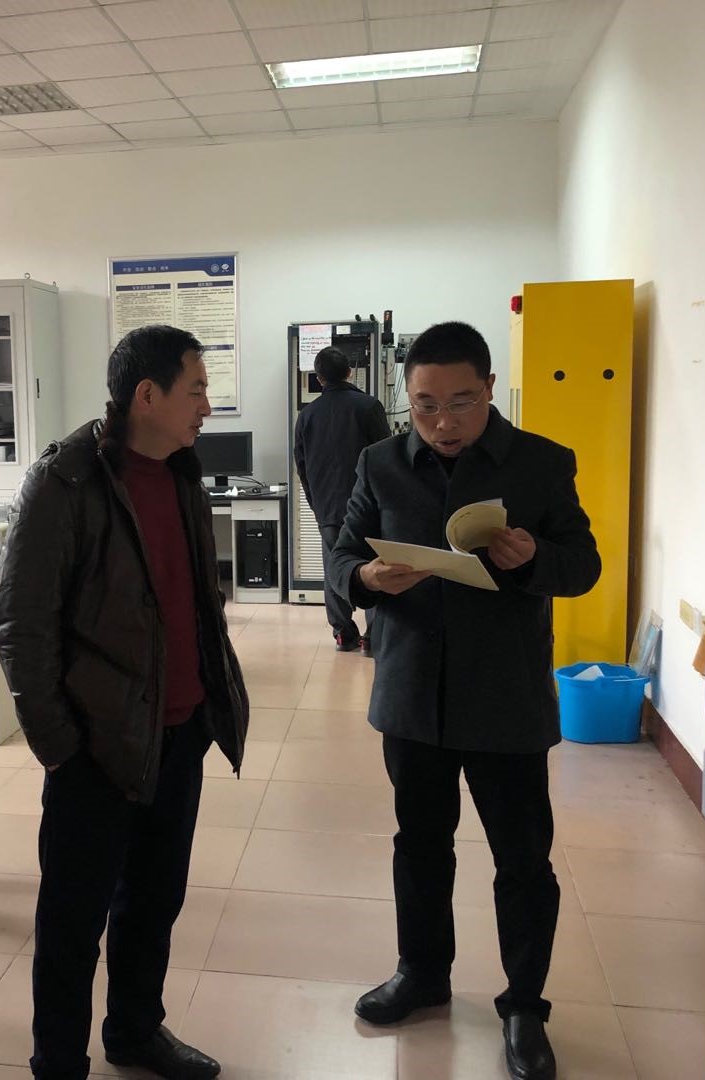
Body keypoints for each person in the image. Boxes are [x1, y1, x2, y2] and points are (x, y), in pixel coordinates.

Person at [327, 321, 601, 1080]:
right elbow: (344, 552)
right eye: (425, 406)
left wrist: (535, 557)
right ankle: (422, 973)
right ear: (405, 398)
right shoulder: (381, 463)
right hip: (413, 694)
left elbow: (583, 566)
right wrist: (365, 579)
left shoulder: (542, 462)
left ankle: (524, 1006)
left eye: (461, 403)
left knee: (522, 859)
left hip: (504, 696)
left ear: (489, 389)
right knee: (419, 844)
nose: (442, 422)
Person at [0, 324, 249, 1080]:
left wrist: (207, 707)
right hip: (96, 746)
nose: (207, 406)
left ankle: (135, 1031)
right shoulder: (65, 482)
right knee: (73, 920)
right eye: (196, 389)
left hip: (179, 733)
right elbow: (20, 623)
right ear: (147, 395)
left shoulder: (183, 474)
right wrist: (60, 747)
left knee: (154, 902)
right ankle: (59, 1062)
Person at [293, 344, 392, 654]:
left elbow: (301, 464)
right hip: (369, 505)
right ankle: (372, 638)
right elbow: (386, 456)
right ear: (350, 372)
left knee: (335, 567)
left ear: (319, 378)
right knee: (375, 564)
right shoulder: (369, 406)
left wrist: (316, 503)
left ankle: (344, 634)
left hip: (328, 509)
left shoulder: (307, 415)